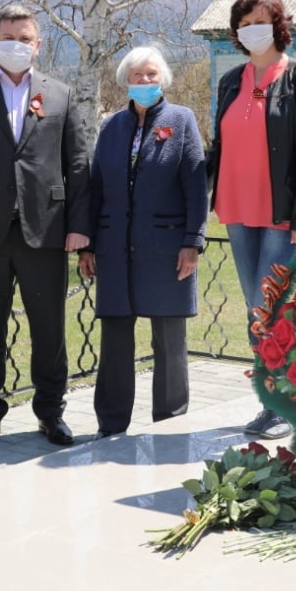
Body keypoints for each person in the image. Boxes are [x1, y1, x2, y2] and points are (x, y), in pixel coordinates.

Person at [0, 4, 91, 448]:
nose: (16, 45)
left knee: (50, 328)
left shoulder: (60, 94)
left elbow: (77, 164)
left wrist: (80, 226)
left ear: (38, 44)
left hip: (44, 230)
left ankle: (51, 412)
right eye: (8, 38)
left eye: (25, 39)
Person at [208, 0, 296, 440]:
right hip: (236, 209)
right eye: (244, 21)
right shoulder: (229, 81)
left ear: (278, 24)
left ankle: (285, 404)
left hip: (280, 215)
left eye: (261, 19)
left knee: (269, 308)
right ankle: (274, 401)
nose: (252, 27)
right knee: (257, 311)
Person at [78, 47, 207, 438]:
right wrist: (87, 244)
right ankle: (112, 424)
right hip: (115, 248)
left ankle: (171, 421)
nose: (146, 81)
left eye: (152, 74)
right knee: (116, 337)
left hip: (167, 249)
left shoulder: (181, 120)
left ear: (163, 78)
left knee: (169, 339)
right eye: (138, 76)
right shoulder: (112, 126)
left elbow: (196, 186)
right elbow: (96, 187)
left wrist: (193, 242)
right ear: (126, 82)